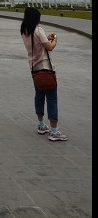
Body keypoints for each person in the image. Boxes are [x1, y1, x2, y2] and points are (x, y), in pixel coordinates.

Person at [20, 7, 67, 141]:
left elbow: (37, 43)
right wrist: (55, 39)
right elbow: (50, 47)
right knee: (52, 99)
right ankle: (54, 131)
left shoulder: (24, 31)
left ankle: (41, 125)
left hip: (34, 69)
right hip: (46, 68)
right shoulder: (38, 30)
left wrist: (46, 38)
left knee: (39, 96)